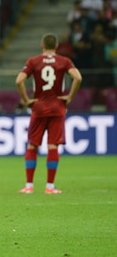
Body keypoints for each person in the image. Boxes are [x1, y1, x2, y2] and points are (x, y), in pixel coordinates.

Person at [16, 34, 82, 194]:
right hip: (57, 107)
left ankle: (29, 186)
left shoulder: (33, 61)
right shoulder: (64, 61)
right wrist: (70, 97)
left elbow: (19, 81)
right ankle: (50, 187)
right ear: (57, 46)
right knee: (53, 146)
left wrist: (26, 100)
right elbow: (78, 78)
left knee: (32, 145)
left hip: (38, 107)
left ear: (42, 45)